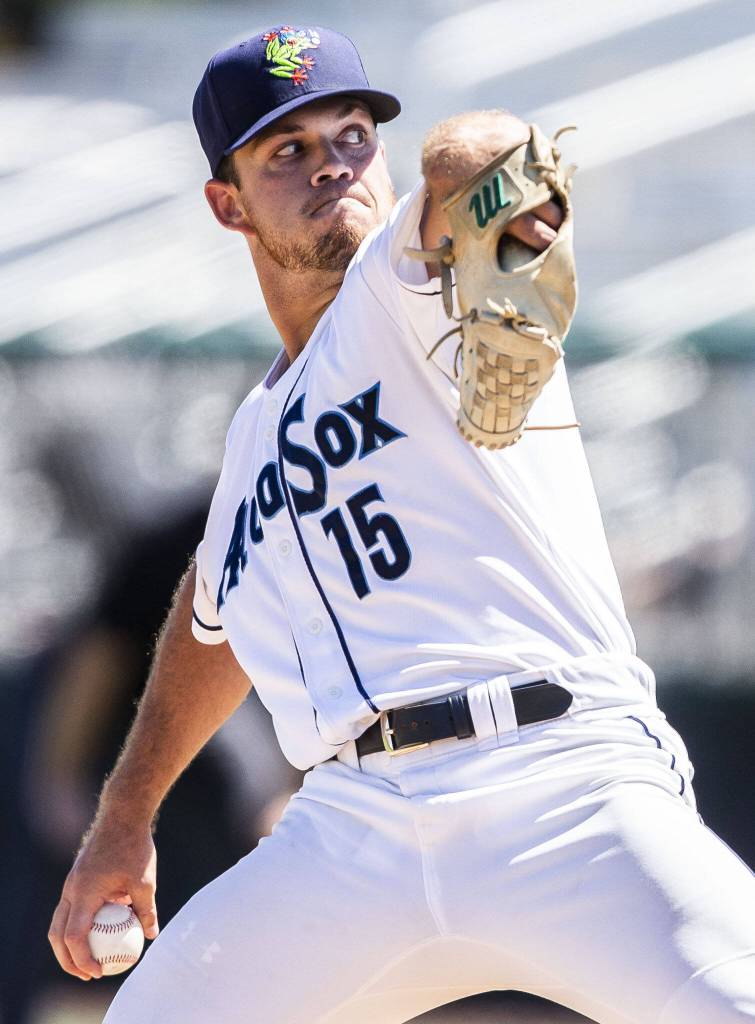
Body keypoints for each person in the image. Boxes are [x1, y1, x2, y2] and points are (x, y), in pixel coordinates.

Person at [48, 25, 755, 1024]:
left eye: (351, 135)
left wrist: (499, 226)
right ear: (227, 203)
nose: (331, 161)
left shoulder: (408, 287)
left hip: (559, 779)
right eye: (285, 151)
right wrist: (122, 817)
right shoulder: (252, 435)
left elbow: (488, 150)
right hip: (351, 828)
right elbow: (210, 621)